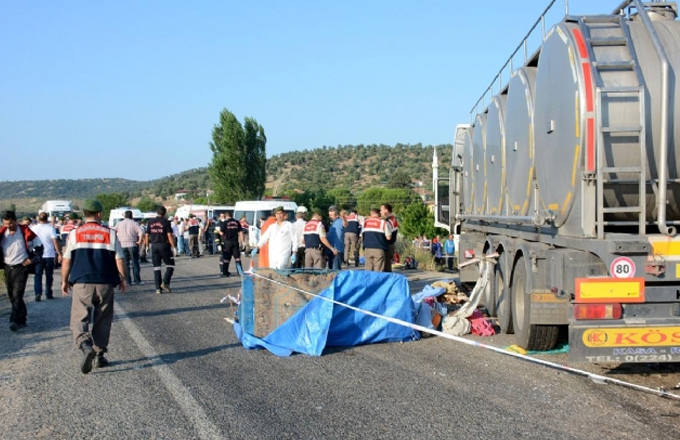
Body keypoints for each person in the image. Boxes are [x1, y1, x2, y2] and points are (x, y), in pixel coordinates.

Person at [60, 199, 127, 374]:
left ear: (85, 214)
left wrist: (64, 280)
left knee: (79, 318)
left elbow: (66, 260)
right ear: (98, 214)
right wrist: (123, 279)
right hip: (105, 282)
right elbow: (119, 259)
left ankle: (84, 344)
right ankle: (99, 355)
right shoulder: (110, 233)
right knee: (103, 319)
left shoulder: (74, 234)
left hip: (82, 282)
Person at [1, 210, 38, 331]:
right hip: (7, 266)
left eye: (10, 223)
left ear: (15, 221)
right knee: (12, 295)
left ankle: (13, 320)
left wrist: (31, 260)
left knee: (18, 294)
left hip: (21, 266)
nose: (8, 226)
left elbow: (40, 248)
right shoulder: (2, 233)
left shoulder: (26, 232)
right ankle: (22, 316)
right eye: (6, 223)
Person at [30, 212, 63, 301]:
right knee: (49, 275)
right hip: (49, 255)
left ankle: (38, 293)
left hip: (37, 255)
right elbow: (55, 242)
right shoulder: (50, 229)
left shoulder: (33, 228)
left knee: (38, 275)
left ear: (38, 219)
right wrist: (59, 254)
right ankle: (48, 293)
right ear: (47, 218)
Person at [145, 206, 176, 295]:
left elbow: (146, 235)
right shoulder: (166, 222)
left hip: (154, 245)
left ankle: (158, 288)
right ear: (165, 213)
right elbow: (169, 235)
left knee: (156, 267)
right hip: (164, 245)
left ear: (157, 212)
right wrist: (174, 247)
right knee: (170, 265)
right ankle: (165, 282)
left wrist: (147, 246)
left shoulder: (150, 222)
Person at [114, 210, 145, 285]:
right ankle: (137, 280)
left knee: (126, 264)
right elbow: (141, 232)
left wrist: (116, 241)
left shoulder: (119, 224)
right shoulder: (134, 223)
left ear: (124, 216)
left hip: (122, 245)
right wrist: (140, 241)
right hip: (132, 244)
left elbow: (113, 231)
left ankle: (128, 281)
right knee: (135, 263)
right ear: (132, 216)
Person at [361, 207, 393, 272]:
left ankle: (369, 282)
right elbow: (388, 237)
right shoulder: (383, 222)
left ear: (371, 214)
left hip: (367, 249)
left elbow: (361, 236)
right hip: (379, 249)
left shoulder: (364, 223)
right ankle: (377, 282)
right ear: (379, 214)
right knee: (378, 271)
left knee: (368, 270)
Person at [219, 211, 244, 276]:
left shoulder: (225, 222)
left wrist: (218, 231)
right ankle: (240, 272)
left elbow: (222, 233)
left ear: (226, 216)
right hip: (235, 242)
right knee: (237, 258)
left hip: (227, 242)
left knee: (226, 258)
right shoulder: (237, 222)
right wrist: (242, 241)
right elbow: (241, 232)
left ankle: (225, 272)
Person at [327, 205, 347, 270]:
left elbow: (345, 224)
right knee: (330, 270)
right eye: (329, 215)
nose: (330, 217)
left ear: (336, 214)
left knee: (336, 270)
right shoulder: (331, 223)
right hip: (331, 250)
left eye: (331, 215)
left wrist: (344, 218)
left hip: (337, 250)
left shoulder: (340, 221)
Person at [380, 204, 399, 272]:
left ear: (386, 210)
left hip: (388, 246)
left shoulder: (388, 221)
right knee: (387, 266)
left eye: (381, 210)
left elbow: (388, 236)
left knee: (386, 267)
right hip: (391, 245)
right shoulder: (393, 219)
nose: (380, 212)